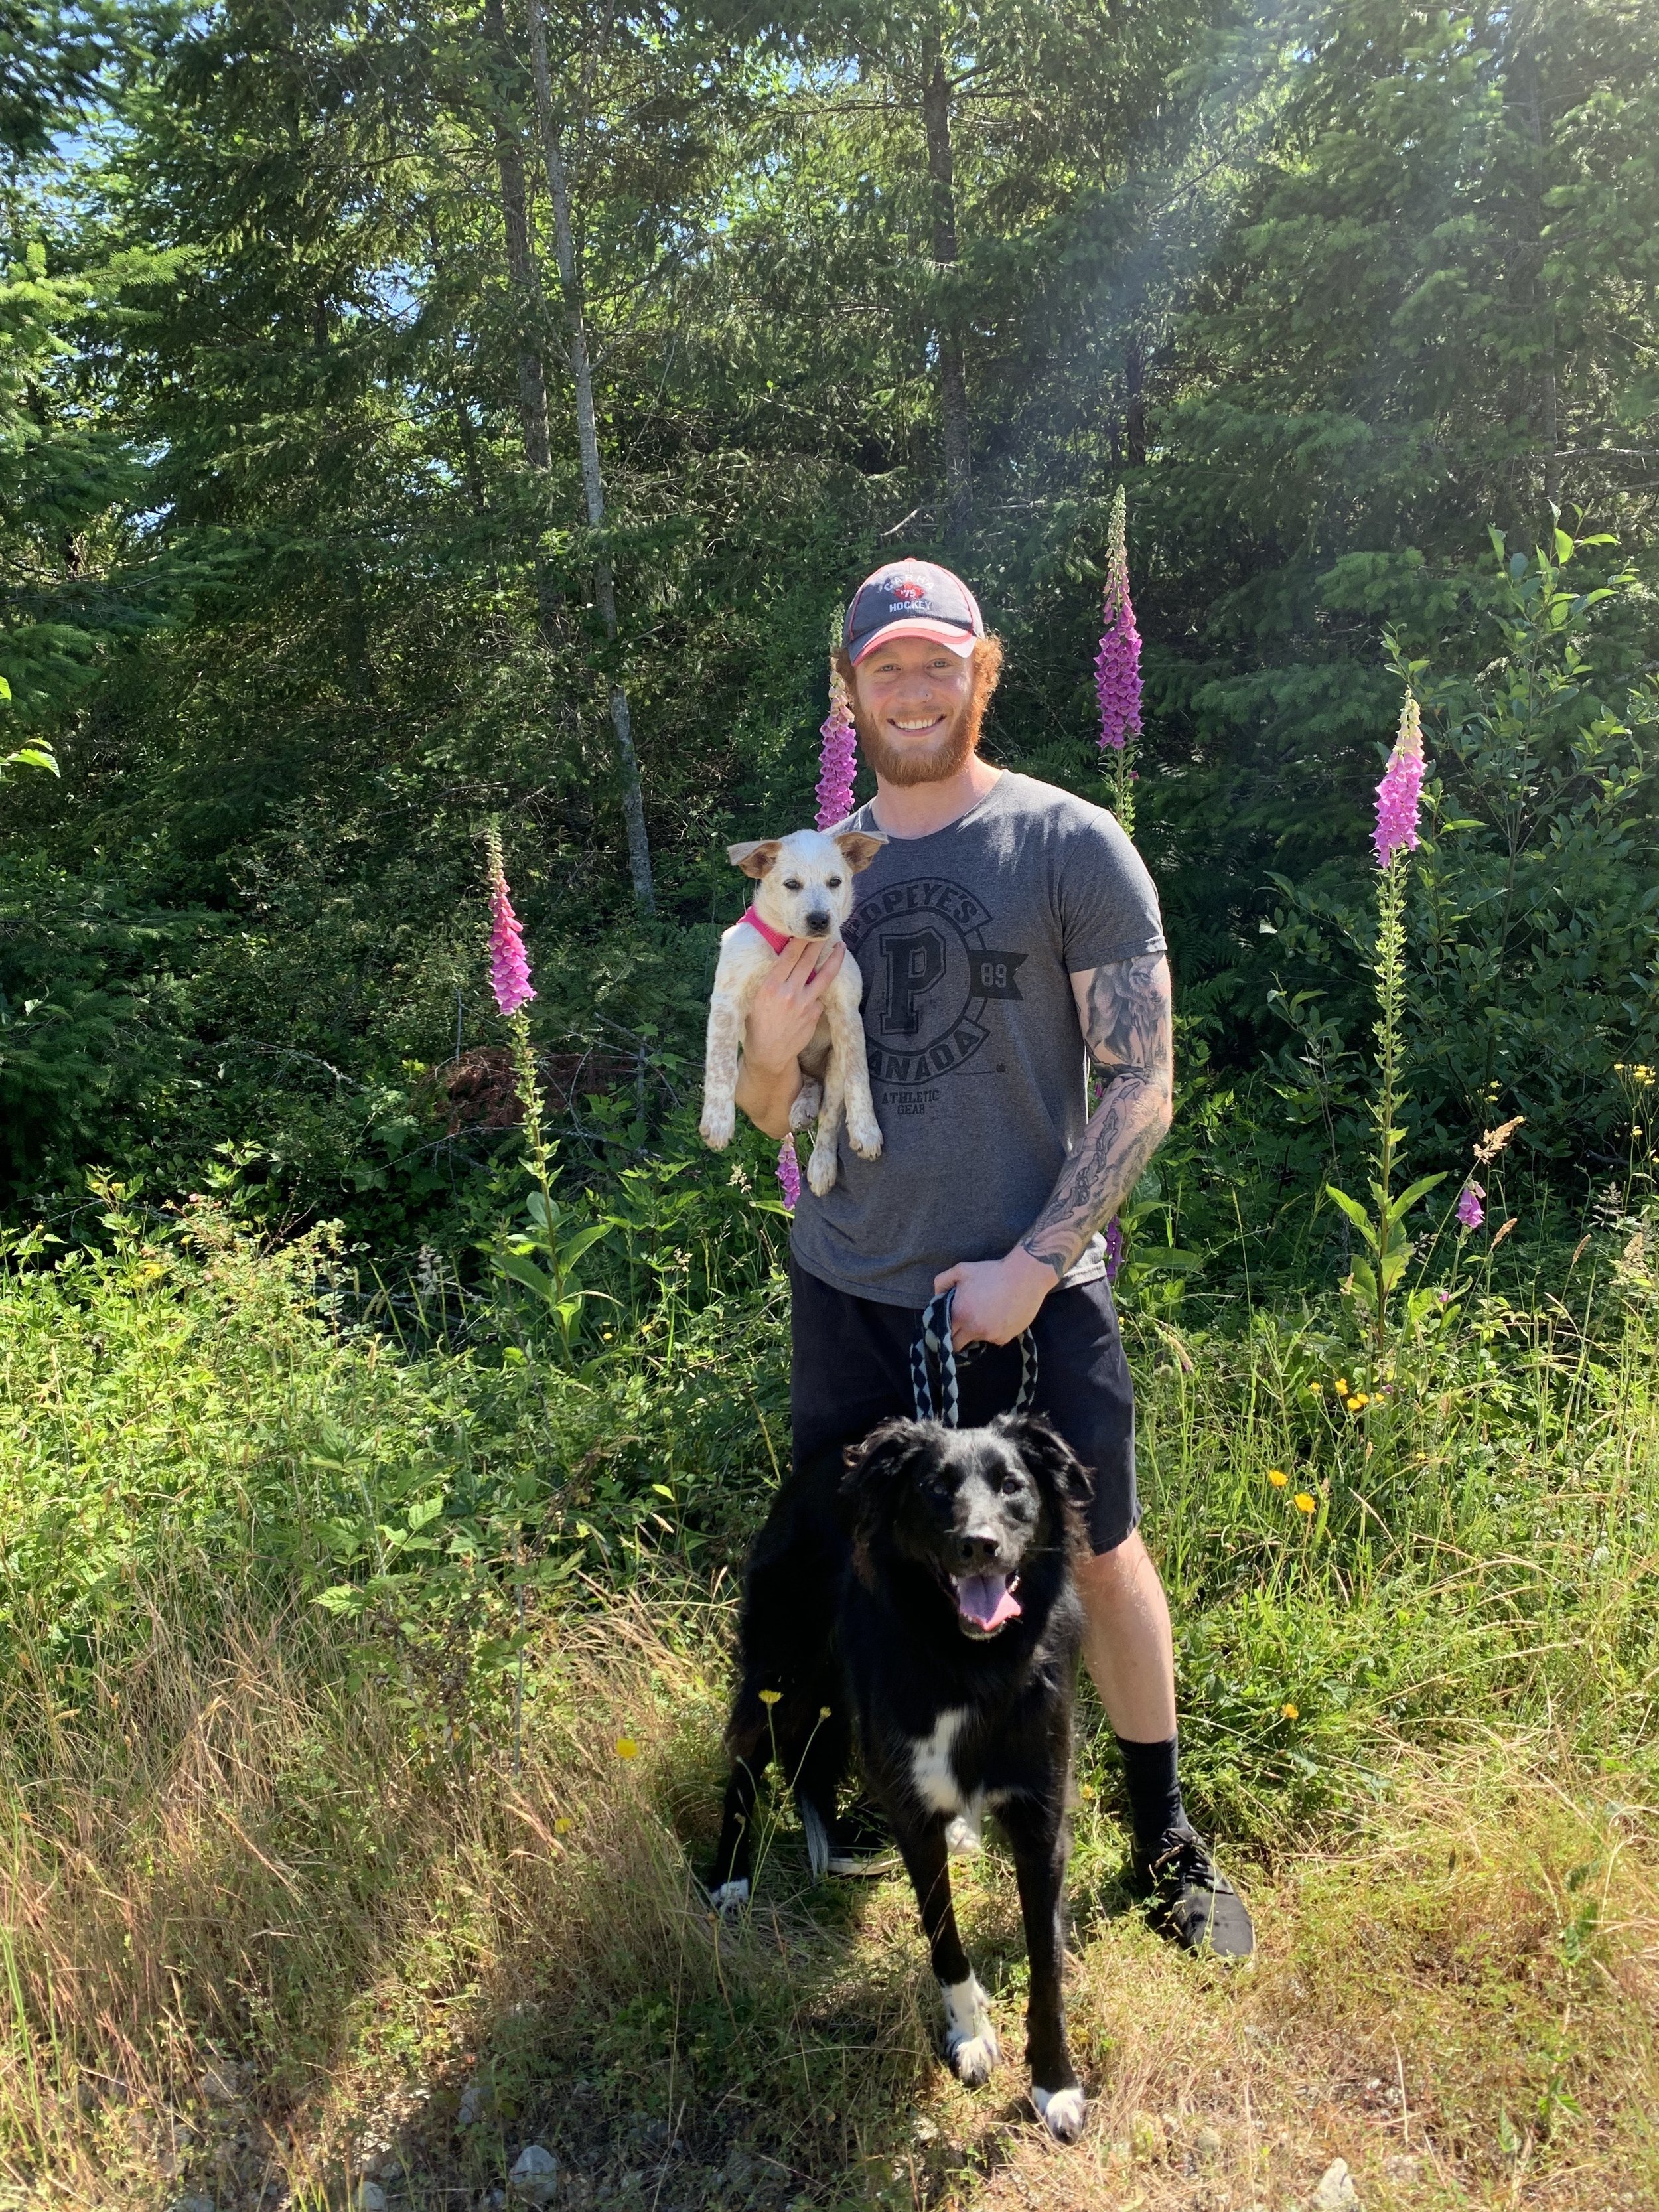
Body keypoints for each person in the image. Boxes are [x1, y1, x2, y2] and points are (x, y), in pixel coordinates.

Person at [732, 558, 1253, 1958]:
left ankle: (1159, 1835)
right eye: (883, 667)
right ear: (847, 689)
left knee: (1099, 1555)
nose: (910, 689)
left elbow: (1138, 1080)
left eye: (934, 661)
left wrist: (1035, 1257)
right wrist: (770, 1057)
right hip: (854, 1284)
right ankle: (859, 1787)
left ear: (984, 671)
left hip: (1037, 1286)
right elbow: (769, 1111)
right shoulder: (817, 867)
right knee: (859, 1560)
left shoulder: (1067, 842)